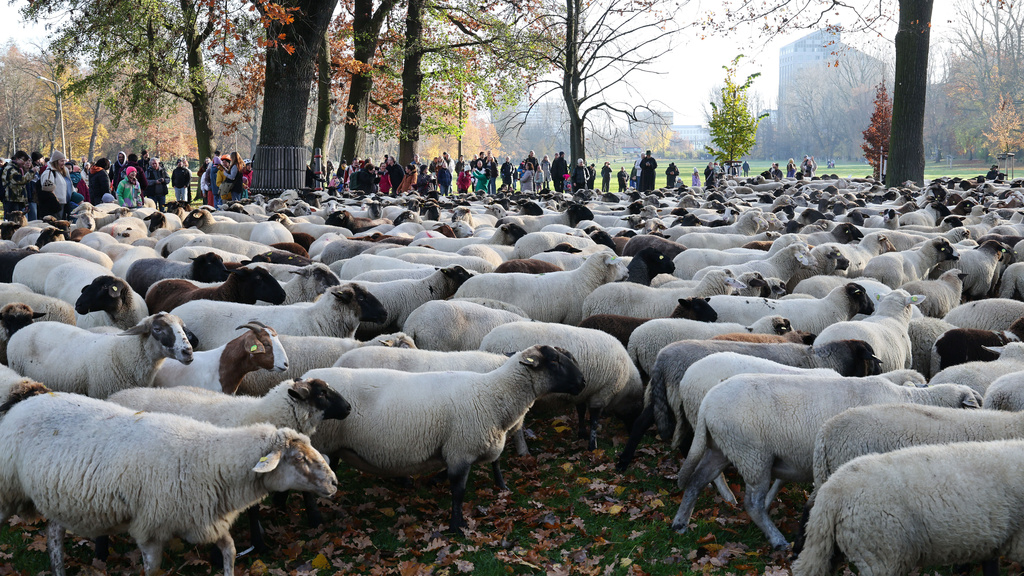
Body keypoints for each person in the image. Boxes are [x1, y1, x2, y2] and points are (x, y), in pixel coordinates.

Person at [38, 150, 72, 219]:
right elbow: (47, 189)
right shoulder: (49, 172)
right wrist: (55, 199)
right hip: (54, 204)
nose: (64, 163)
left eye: (64, 161)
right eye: (62, 161)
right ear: (56, 161)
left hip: (63, 202)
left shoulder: (60, 172)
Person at [1, 150, 34, 215]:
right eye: (23, 160)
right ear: (17, 159)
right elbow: (21, 180)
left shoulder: (18, 169)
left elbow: (22, 187)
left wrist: (25, 202)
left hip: (18, 200)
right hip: (12, 200)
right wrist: (31, 172)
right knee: (13, 221)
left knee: (20, 221)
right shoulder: (10, 169)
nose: (24, 163)